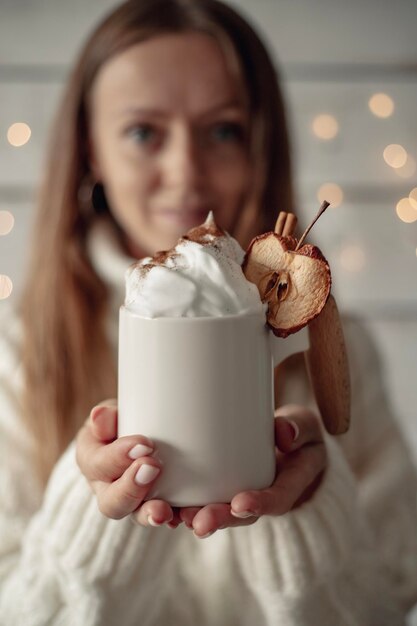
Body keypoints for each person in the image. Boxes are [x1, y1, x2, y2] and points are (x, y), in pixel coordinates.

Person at [0, 0, 416, 624]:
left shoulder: (335, 346)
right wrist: (96, 512)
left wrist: (312, 512)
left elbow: (390, 599)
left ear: (258, 143)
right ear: (92, 150)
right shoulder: (21, 353)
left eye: (222, 130)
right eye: (144, 132)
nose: (186, 172)